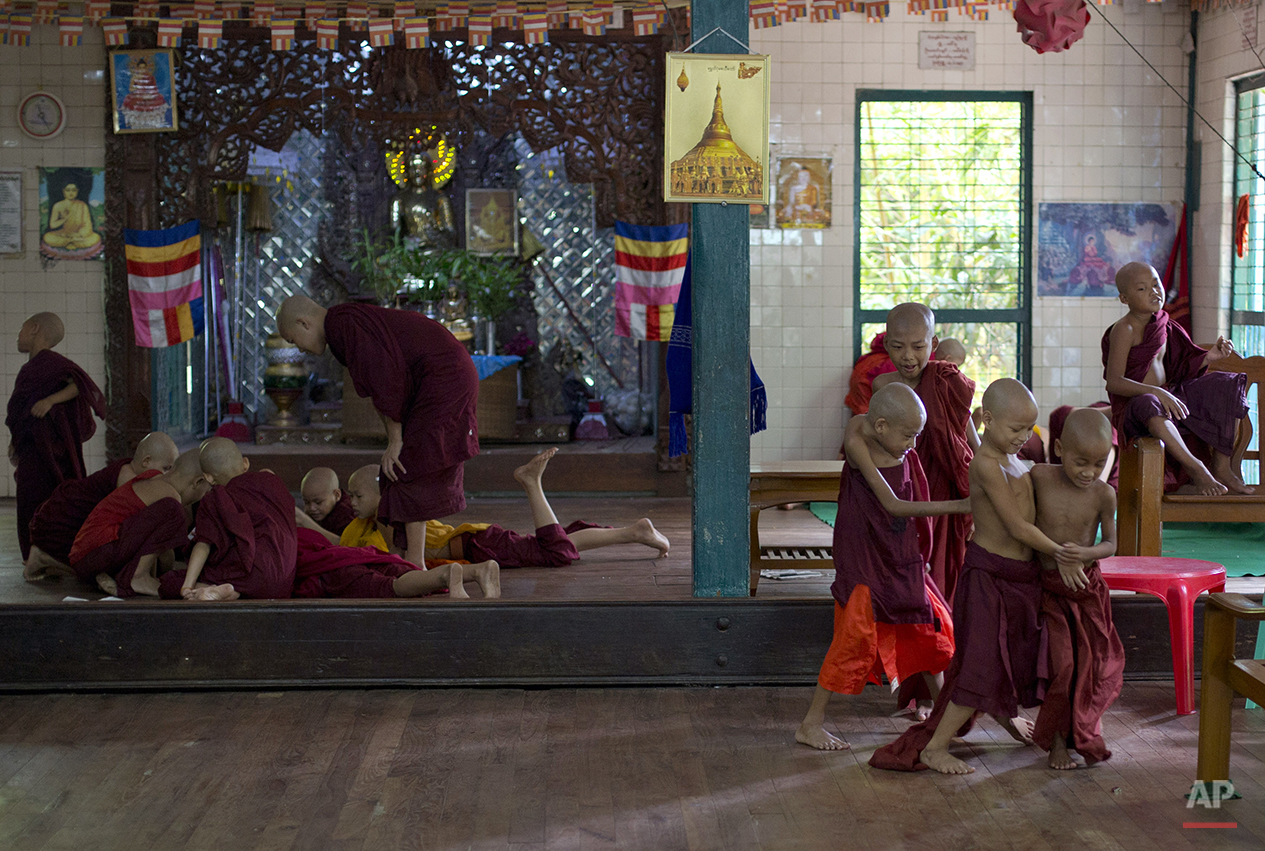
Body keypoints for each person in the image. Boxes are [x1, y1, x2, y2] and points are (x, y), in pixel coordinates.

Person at [870, 378, 1077, 775]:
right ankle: (935, 747)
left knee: (1024, 661)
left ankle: (1025, 726)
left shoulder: (1020, 462)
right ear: (986, 419)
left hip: (1021, 578)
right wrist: (1060, 552)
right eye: (1014, 428)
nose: (1022, 437)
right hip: (988, 578)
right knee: (980, 665)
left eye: (1027, 429)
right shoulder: (984, 464)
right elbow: (1016, 526)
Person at [796, 384, 969, 751]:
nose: (913, 444)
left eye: (917, 435)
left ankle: (941, 716)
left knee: (926, 626)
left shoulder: (892, 438)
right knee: (853, 636)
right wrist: (961, 505)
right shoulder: (859, 440)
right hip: (864, 552)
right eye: (908, 435)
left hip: (900, 549)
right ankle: (811, 724)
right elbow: (893, 505)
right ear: (880, 426)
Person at [277, 295, 480, 568]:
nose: (298, 349)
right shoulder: (342, 325)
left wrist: (396, 440)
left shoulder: (343, 325)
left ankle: (415, 562)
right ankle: (404, 556)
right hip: (442, 374)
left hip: (443, 375)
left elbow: (386, 381)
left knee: (409, 465)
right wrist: (393, 438)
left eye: (293, 340)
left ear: (304, 323)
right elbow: (381, 387)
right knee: (399, 470)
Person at [1102, 261, 1252, 496]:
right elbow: (1114, 381)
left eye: (1155, 284)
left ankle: (1222, 468)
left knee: (1227, 383)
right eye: (1142, 288)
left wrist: (1210, 357)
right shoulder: (1125, 329)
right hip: (1136, 408)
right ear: (1124, 299)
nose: (1153, 291)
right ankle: (1196, 468)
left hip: (1167, 396)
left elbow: (1180, 367)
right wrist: (1156, 392)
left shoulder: (1164, 325)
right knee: (1149, 401)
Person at [1030, 408, 1126, 769]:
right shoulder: (1039, 477)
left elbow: (1111, 544)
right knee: (1062, 667)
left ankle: (1084, 733)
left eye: (1098, 462)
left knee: (1092, 666)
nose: (1088, 472)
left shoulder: (1103, 494)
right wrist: (1057, 556)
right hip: (1050, 590)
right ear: (1058, 448)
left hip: (1086, 588)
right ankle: (1056, 743)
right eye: (1080, 462)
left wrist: (1083, 554)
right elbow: (1024, 527)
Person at [870, 303, 977, 605]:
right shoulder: (883, 385)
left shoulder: (945, 383)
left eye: (918, 347)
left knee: (942, 568)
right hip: (901, 486)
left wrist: (983, 489)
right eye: (898, 346)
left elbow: (967, 440)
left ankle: (941, 630)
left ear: (932, 344)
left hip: (943, 487)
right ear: (887, 344)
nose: (908, 356)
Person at [6, 312, 106, 561]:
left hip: (51, 450)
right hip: (31, 448)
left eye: (22, 327)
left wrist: (50, 400)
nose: (18, 334)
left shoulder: (51, 362)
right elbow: (22, 410)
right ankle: (32, 557)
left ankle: (48, 555)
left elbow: (79, 385)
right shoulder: (30, 368)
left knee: (48, 502)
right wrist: (14, 440)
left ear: (35, 328)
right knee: (28, 504)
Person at [330, 464, 502, 598]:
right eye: (350, 496)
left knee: (399, 578)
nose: (352, 502)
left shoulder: (391, 519)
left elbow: (389, 559)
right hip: (431, 561)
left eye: (358, 496)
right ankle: (477, 572)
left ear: (382, 495)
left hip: (472, 543)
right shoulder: (365, 524)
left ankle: (472, 572)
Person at [24, 432, 179, 580]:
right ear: (146, 461)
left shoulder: (134, 472)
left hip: (67, 514)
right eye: (166, 469)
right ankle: (43, 558)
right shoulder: (128, 479)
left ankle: (48, 561)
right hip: (58, 520)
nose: (166, 476)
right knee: (98, 564)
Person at [157, 437, 296, 602]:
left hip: (248, 577)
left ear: (208, 478)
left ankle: (214, 590)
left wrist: (187, 587)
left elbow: (203, 544)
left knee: (168, 583)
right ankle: (229, 592)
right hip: (285, 581)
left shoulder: (215, 498)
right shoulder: (273, 482)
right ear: (245, 463)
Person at [68, 449, 208, 598]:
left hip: (85, 555)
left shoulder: (154, 477)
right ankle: (138, 578)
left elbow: (147, 538)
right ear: (198, 482)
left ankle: (123, 576)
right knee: (174, 510)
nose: (205, 495)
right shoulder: (170, 497)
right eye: (207, 490)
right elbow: (164, 552)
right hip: (96, 552)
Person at [292, 528, 475, 601]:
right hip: (360, 556)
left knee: (390, 587)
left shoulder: (280, 540)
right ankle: (478, 571)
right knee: (400, 571)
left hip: (335, 570)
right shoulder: (297, 531)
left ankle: (445, 575)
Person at [41, 170, 102, 252]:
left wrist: (78, 234)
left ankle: (69, 243)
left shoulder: (82, 205)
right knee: (47, 237)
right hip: (63, 234)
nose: (71, 193)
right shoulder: (58, 206)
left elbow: (87, 225)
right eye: (68, 190)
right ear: (63, 191)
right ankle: (71, 243)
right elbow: (52, 225)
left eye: (73, 190)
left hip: (78, 235)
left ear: (77, 191)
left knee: (95, 238)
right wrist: (64, 219)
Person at [300, 466, 356, 537]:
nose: (312, 508)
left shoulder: (347, 515)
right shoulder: (320, 511)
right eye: (306, 502)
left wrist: (305, 521)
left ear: (336, 495)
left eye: (318, 502)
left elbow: (344, 544)